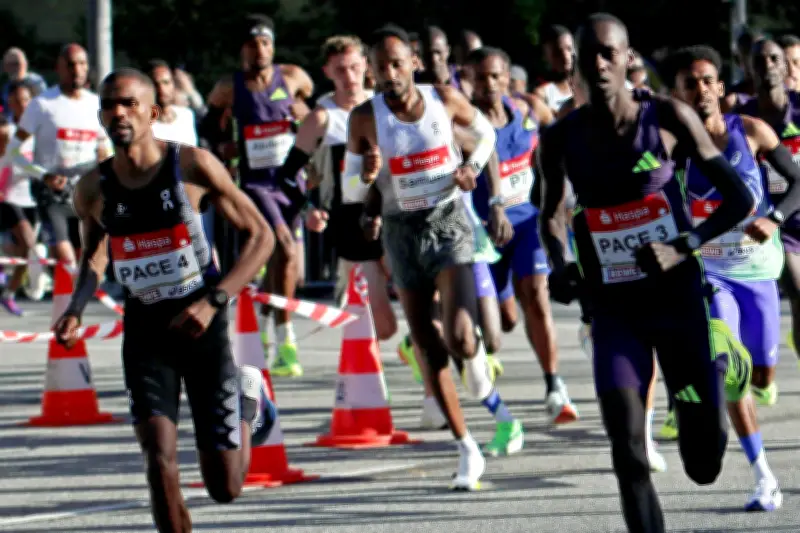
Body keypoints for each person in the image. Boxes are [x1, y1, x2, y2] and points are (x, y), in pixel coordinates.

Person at [538, 14, 754, 533]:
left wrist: (685, 246)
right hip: (613, 309)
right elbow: (550, 215)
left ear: (627, 57)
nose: (597, 63)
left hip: (677, 301)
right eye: (586, 54)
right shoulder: (560, 138)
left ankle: (716, 365)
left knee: (704, 464)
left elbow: (738, 199)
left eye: (608, 53)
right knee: (628, 453)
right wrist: (561, 266)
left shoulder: (666, 117)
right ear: (574, 65)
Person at [53, 68, 277, 533]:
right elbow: (94, 254)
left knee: (225, 488)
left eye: (129, 104)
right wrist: (75, 307)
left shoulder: (193, 166)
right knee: (158, 462)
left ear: (153, 112)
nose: (118, 112)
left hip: (202, 324)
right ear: (100, 116)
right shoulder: (92, 189)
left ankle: (247, 396)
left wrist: (214, 301)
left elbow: (261, 236)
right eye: (110, 105)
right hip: (146, 332)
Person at [354, 24, 521, 485]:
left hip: (448, 221)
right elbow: (356, 186)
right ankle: (467, 448)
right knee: (428, 347)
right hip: (401, 231)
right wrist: (367, 181)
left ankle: (475, 356)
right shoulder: (364, 118)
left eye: (396, 63)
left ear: (412, 62)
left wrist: (469, 168)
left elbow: (485, 134)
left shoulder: (442, 99)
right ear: (371, 72)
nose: (389, 73)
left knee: (462, 336)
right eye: (380, 66)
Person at [669, 44, 791, 511]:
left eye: (706, 81)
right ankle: (764, 477)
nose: (699, 90)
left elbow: (798, 180)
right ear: (678, 95)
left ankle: (756, 377)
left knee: (760, 368)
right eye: (688, 84)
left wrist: (775, 217)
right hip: (710, 272)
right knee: (729, 367)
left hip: (758, 269)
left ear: (720, 86)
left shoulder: (752, 130)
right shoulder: (673, 149)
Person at [468, 46, 578, 425]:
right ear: (470, 79)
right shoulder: (464, 121)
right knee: (505, 321)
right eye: (481, 77)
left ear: (507, 77)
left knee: (537, 298)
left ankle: (554, 386)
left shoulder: (527, 109)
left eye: (495, 76)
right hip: (484, 232)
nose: (488, 84)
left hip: (528, 221)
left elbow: (559, 133)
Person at [205, 14, 314, 377]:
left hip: (290, 182)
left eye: (265, 43)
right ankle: (286, 340)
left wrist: (301, 115)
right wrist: (225, 149)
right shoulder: (228, 87)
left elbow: (309, 110)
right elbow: (209, 125)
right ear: (242, 51)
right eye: (253, 44)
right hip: (255, 184)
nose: (260, 50)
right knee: (282, 245)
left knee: (289, 265)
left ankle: (266, 326)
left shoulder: (293, 76)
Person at [7, 44, 112, 274]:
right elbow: (13, 152)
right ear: (59, 68)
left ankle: (68, 308)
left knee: (90, 264)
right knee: (68, 264)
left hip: (86, 192)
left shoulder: (96, 104)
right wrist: (43, 175)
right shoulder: (42, 104)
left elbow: (104, 148)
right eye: (71, 64)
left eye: (82, 63)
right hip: (52, 193)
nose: (77, 70)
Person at [737, 38, 800, 402]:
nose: (767, 66)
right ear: (748, 68)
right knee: (796, 285)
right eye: (758, 60)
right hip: (773, 222)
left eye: (774, 58)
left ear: (785, 65)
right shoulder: (742, 116)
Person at [535, 25, 575, 113]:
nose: (566, 56)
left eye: (569, 49)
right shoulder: (543, 94)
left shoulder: (587, 86)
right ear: (545, 56)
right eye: (557, 52)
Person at [1, 48, 47, 112]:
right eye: (9, 64)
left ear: (25, 64)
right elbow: (3, 106)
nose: (13, 68)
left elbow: (44, 106)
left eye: (16, 63)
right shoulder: (7, 86)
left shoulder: (35, 82)